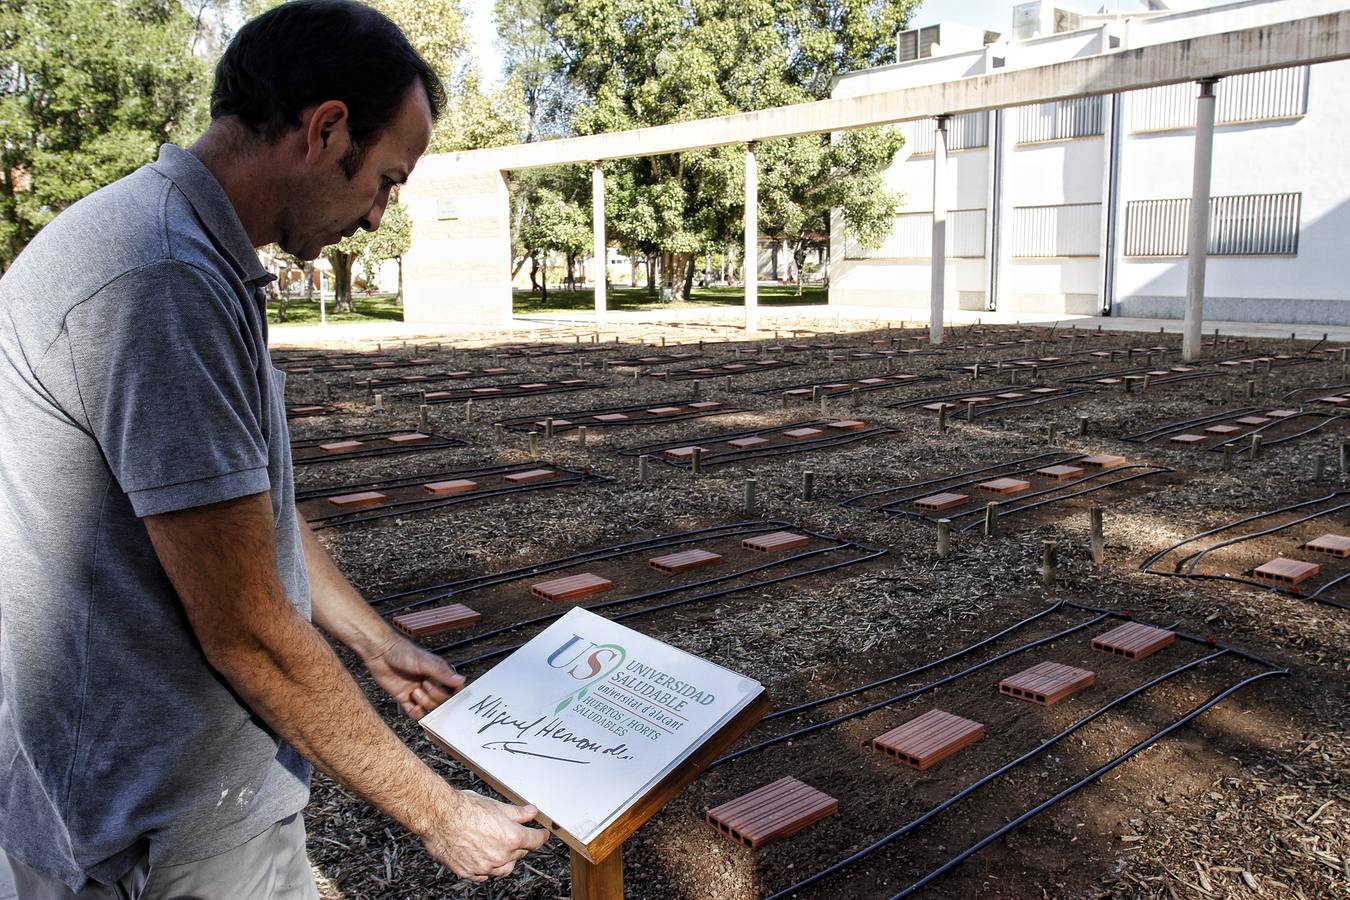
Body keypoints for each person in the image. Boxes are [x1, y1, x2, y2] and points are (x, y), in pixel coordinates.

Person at [0, 2, 549, 897]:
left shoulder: (160, 240)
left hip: (111, 796)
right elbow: (248, 631)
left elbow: (232, 513)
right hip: (162, 827)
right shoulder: (163, 281)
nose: (377, 218)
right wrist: (440, 814)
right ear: (325, 129)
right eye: (386, 182)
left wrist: (374, 643)